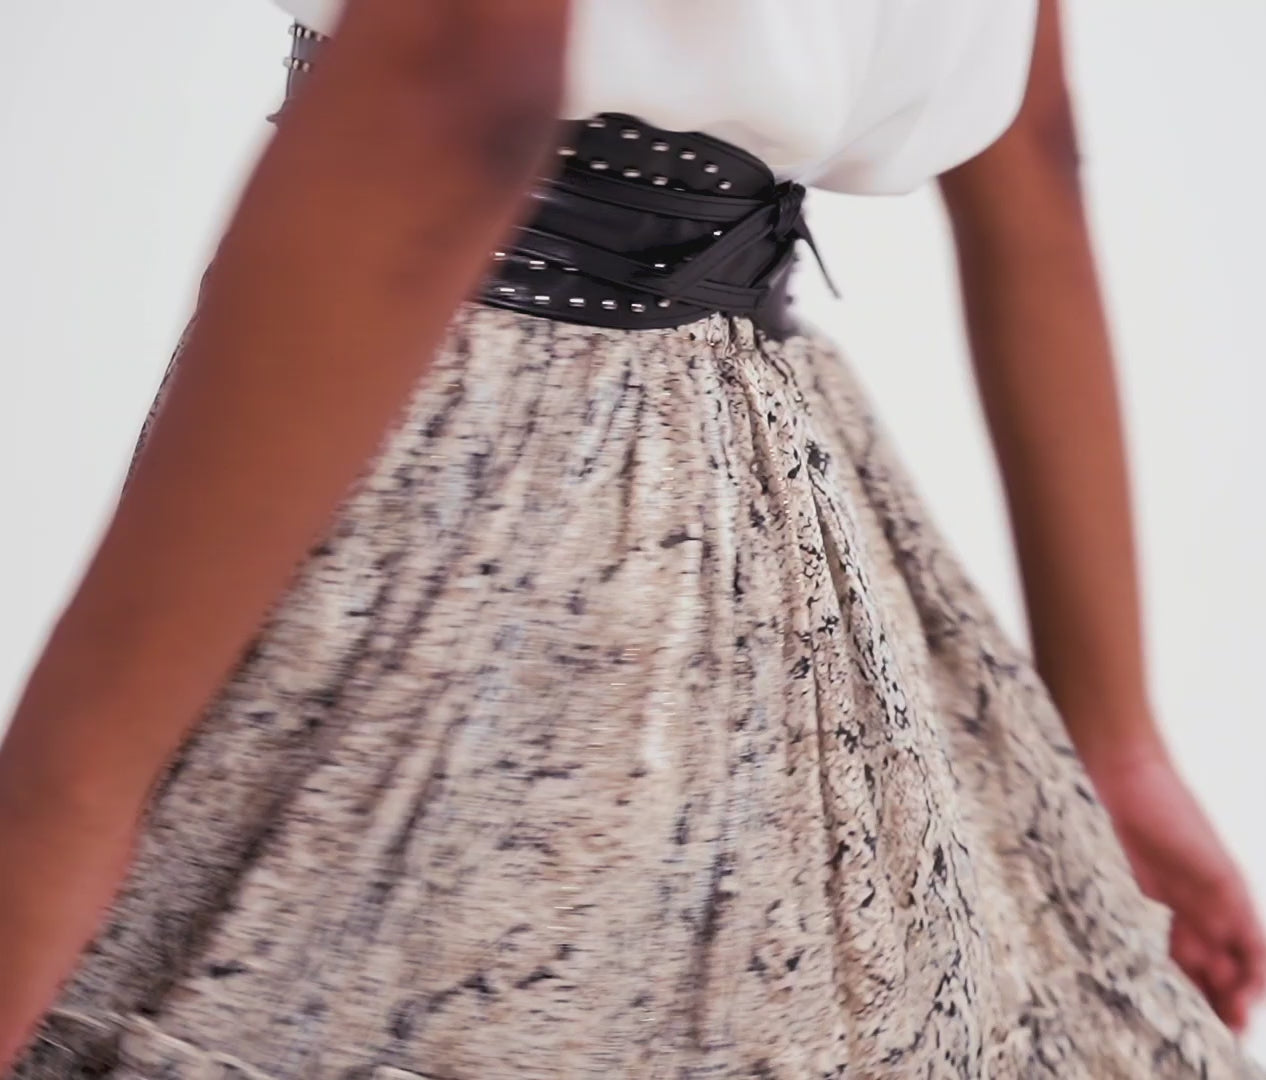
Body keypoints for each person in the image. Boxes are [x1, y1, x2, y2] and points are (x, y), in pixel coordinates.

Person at [2, 0, 1262, 1075]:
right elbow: (1035, 154)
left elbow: (454, 75)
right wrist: (1116, 740)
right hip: (768, 511)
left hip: (470, 487)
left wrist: (60, 803)